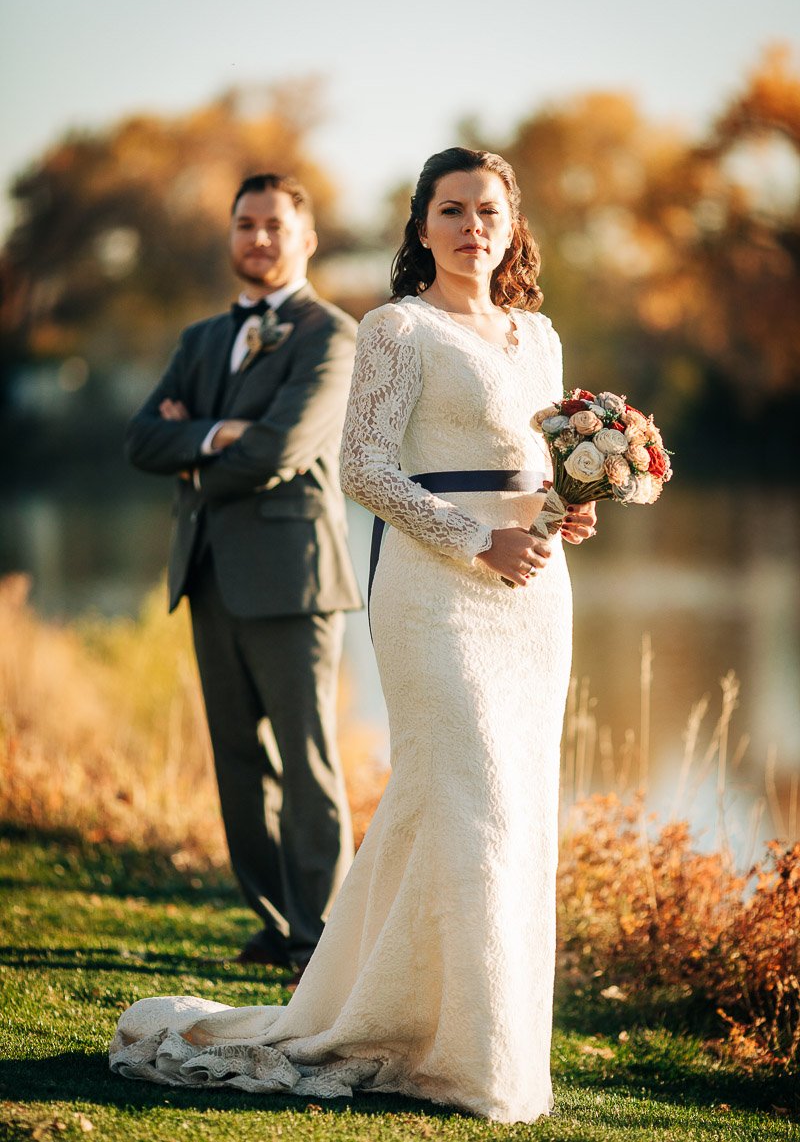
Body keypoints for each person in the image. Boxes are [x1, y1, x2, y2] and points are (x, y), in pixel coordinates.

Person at [110, 149, 597, 1123]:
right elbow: (366, 470)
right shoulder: (394, 329)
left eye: (487, 211)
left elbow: (530, 465)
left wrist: (563, 511)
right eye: (449, 211)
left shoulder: (536, 336)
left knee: (504, 810)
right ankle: (457, 1056)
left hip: (532, 597)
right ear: (420, 227)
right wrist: (475, 541)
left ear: (511, 223)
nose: (470, 228)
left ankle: (457, 1030)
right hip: (434, 593)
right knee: (473, 797)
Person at [124, 173, 362, 974]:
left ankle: (320, 933)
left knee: (307, 760)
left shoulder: (331, 335)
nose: (257, 239)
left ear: (307, 237)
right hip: (208, 574)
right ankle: (273, 919)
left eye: (273, 225)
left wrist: (192, 444)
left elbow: (279, 451)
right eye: (244, 225)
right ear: (231, 236)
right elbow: (138, 441)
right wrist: (220, 432)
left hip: (294, 579)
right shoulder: (198, 339)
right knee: (236, 761)